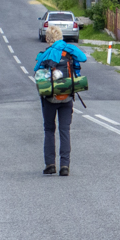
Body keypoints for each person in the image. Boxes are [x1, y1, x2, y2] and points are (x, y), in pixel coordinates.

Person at [34, 26, 87, 176]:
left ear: (48, 39)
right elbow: (83, 58)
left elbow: (36, 69)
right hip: (67, 95)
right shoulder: (69, 50)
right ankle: (65, 165)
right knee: (65, 130)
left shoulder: (46, 53)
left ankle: (50, 164)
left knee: (49, 130)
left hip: (50, 97)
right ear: (61, 36)